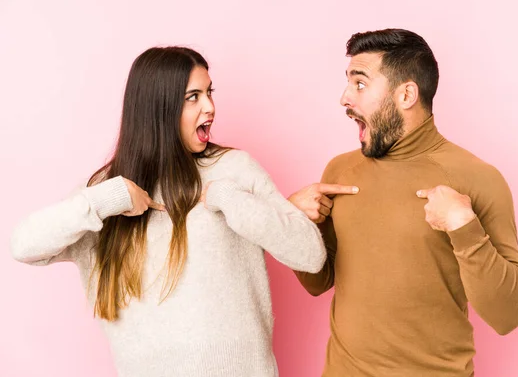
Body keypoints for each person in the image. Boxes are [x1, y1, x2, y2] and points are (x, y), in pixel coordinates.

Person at [10, 46, 326, 377]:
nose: (210, 107)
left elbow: (310, 255)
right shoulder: (107, 192)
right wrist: (109, 197)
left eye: (209, 92)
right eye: (193, 97)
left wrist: (230, 199)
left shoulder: (233, 170)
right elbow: (25, 245)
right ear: (158, 109)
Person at [290, 29, 518, 376]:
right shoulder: (340, 169)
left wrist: (465, 227)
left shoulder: (479, 179)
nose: (345, 97)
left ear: (406, 94)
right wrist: (296, 225)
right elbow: (318, 282)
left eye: (360, 84)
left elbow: (508, 316)